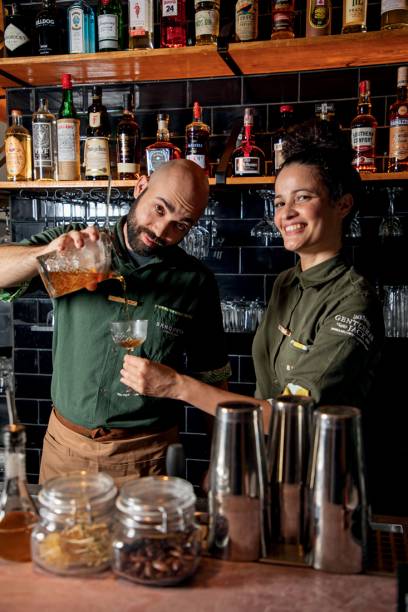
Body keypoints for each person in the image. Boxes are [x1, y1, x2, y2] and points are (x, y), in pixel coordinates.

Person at [120, 121, 384, 428]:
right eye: (280, 202)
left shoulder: (353, 301)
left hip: (322, 468)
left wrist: (177, 386)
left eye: (303, 198)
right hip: (269, 461)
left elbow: (291, 415)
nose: (286, 213)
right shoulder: (287, 282)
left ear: (342, 204)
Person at [0, 159, 231, 484]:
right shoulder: (79, 249)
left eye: (181, 224)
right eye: (159, 209)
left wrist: (220, 461)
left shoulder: (195, 282)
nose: (162, 231)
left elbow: (213, 378)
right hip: (65, 451)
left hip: (148, 458)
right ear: (140, 187)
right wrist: (46, 256)